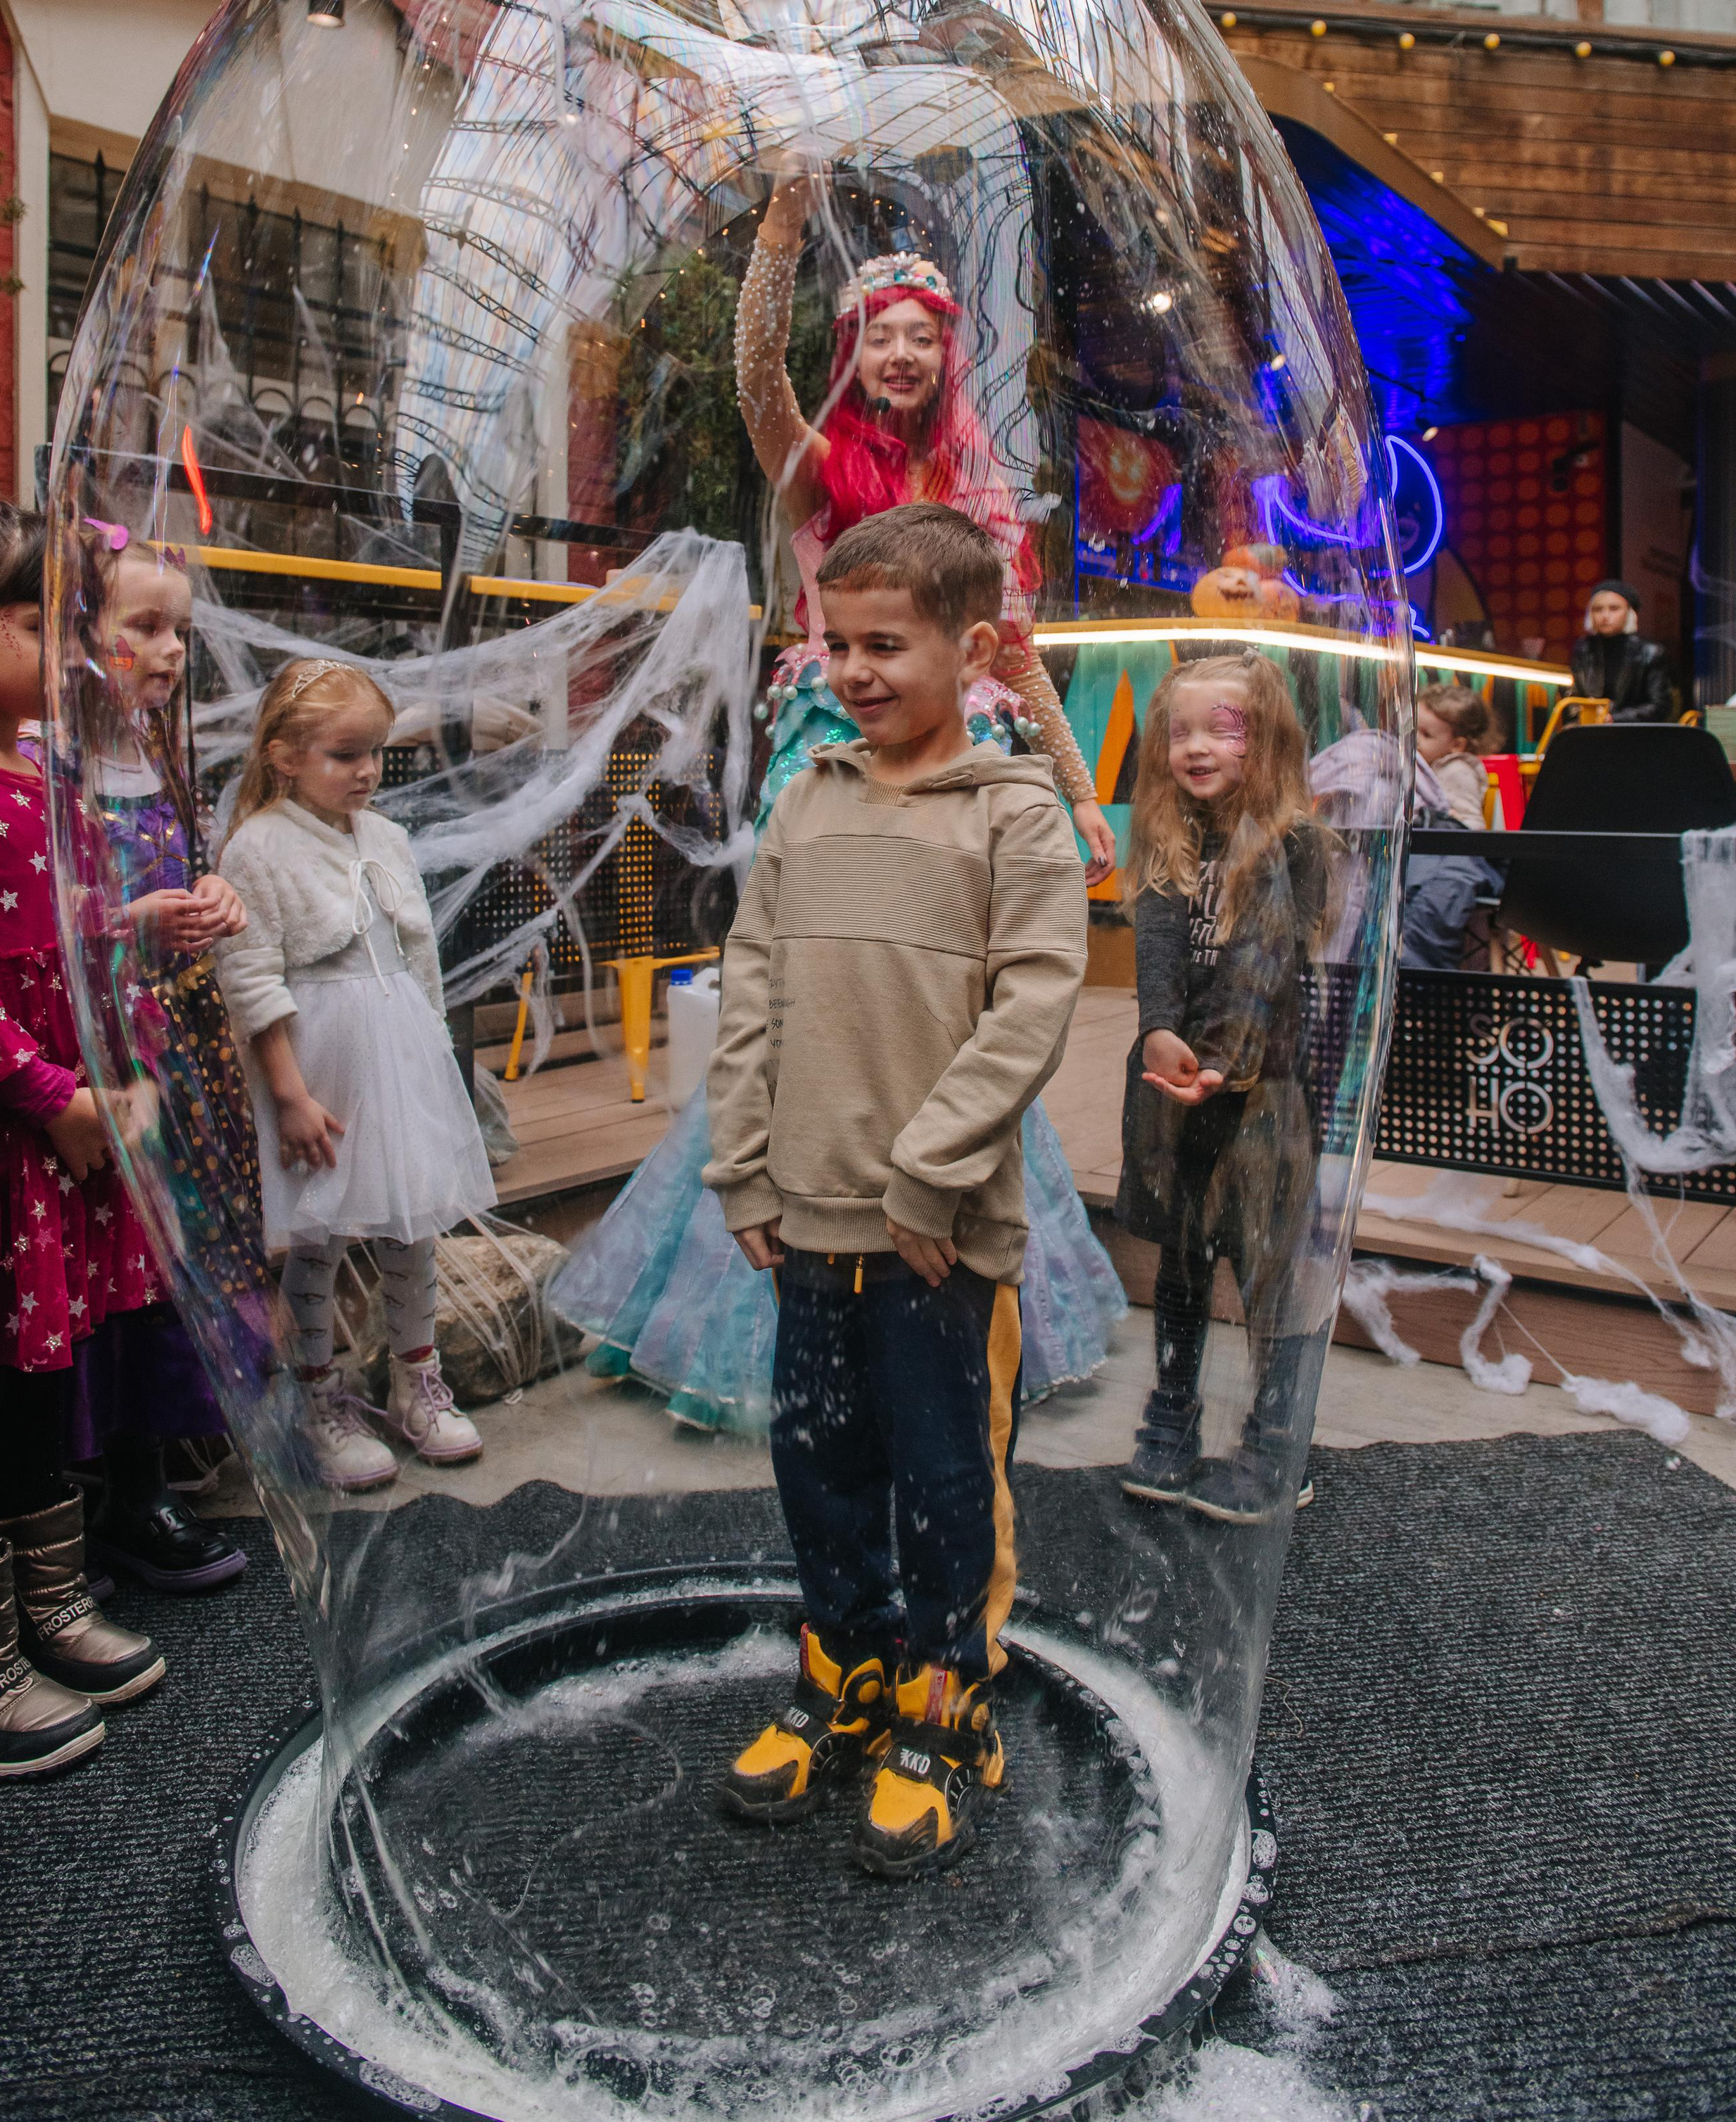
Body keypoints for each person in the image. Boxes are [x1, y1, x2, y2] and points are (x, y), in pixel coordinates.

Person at [552, 185, 1127, 1426]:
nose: (904, 353)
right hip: (838, 761)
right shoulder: (815, 468)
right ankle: (772, 1288)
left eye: (925, 333)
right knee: (816, 999)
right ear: (854, 350)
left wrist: (1080, 797)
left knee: (949, 1007)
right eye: (882, 332)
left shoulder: (977, 490)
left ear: (950, 354)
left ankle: (964, 1281)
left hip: (968, 770)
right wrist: (777, 241)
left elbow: (1014, 655)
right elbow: (758, 382)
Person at [708, 504, 1089, 1876]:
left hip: (937, 1241)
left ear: (972, 647)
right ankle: (842, 1670)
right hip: (803, 1217)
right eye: (837, 643)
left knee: (942, 1475)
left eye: (887, 643)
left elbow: (1029, 1015)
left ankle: (943, 1698)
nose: (855, 670)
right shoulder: (807, 803)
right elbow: (749, 990)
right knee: (814, 1459)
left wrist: (930, 1177)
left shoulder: (1015, 819)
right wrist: (739, 1160)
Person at [0, 496, 165, 1780]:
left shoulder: (41, 771)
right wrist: (49, 1090)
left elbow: (59, 925)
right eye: (39, 625)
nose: (65, 652)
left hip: (50, 1135)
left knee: (38, 1374)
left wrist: (141, 924)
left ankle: (51, 1603)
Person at [213, 659, 489, 1491]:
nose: (367, 771)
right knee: (320, 1232)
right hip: (321, 1066)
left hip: (399, 1055)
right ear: (285, 756)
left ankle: (417, 1383)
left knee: (414, 1225)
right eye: (345, 754)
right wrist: (290, 1095)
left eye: (375, 753)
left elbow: (418, 955)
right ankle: (319, 1398)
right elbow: (251, 975)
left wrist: (436, 1054)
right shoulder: (258, 847)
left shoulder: (388, 839)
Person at [70, 527, 263, 1593]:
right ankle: (106, 1488)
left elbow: (186, 876)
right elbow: (58, 923)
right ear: (81, 637)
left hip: (179, 1050)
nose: (171, 650)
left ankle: (153, 1475)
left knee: (172, 1256)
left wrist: (215, 897)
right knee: (117, 1265)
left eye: (181, 629)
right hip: (105, 1058)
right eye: (144, 626)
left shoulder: (162, 759)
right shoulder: (58, 767)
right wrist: (122, 922)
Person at [1115, 652, 1329, 1525]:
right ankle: (1172, 1415)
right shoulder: (1168, 835)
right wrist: (1159, 1033)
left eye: (1220, 730)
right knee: (1181, 1261)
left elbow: (1261, 962)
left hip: (1261, 1091)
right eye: (1180, 732)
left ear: (1265, 743)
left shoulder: (1296, 842)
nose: (1195, 748)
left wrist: (1219, 1059)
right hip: (1179, 1088)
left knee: (1267, 1266)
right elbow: (1158, 946)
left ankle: (1279, 1442)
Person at [1400, 682, 1502, 974]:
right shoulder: (1430, 768)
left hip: (1453, 857)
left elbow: (1469, 828)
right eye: (1414, 729)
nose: (1415, 740)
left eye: (1427, 735)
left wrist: (1450, 816)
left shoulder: (1456, 770)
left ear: (1457, 745)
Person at [1570, 580, 1673, 723]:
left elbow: (1661, 706)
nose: (1605, 616)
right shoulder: (1584, 648)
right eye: (1598, 609)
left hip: (1633, 733)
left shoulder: (1650, 651)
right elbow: (1573, 696)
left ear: (1630, 612)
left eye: (1614, 608)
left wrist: (1614, 718)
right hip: (1591, 730)